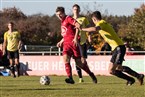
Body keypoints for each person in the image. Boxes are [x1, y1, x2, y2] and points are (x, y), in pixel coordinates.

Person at [81, 11, 144, 86]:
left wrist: (82, 29)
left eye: (93, 21)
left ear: (94, 19)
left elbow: (94, 29)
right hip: (116, 49)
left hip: (119, 47)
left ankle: (138, 76)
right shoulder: (103, 25)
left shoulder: (102, 23)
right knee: (111, 71)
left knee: (118, 67)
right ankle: (131, 79)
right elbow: (96, 30)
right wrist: (89, 35)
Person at [56, 6, 97, 84]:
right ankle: (70, 78)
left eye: (60, 14)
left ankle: (91, 74)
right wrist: (61, 41)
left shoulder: (68, 18)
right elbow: (66, 34)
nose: (59, 16)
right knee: (65, 59)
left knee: (79, 63)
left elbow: (77, 25)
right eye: (57, 15)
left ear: (64, 13)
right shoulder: (62, 21)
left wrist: (75, 38)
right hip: (66, 45)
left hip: (73, 44)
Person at [72, 4, 90, 83]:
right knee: (77, 60)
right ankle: (80, 78)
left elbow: (88, 28)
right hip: (74, 42)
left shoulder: (83, 19)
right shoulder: (70, 19)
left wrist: (89, 36)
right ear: (73, 10)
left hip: (82, 41)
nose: (76, 10)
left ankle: (90, 73)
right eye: (75, 9)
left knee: (83, 60)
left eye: (77, 9)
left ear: (79, 10)